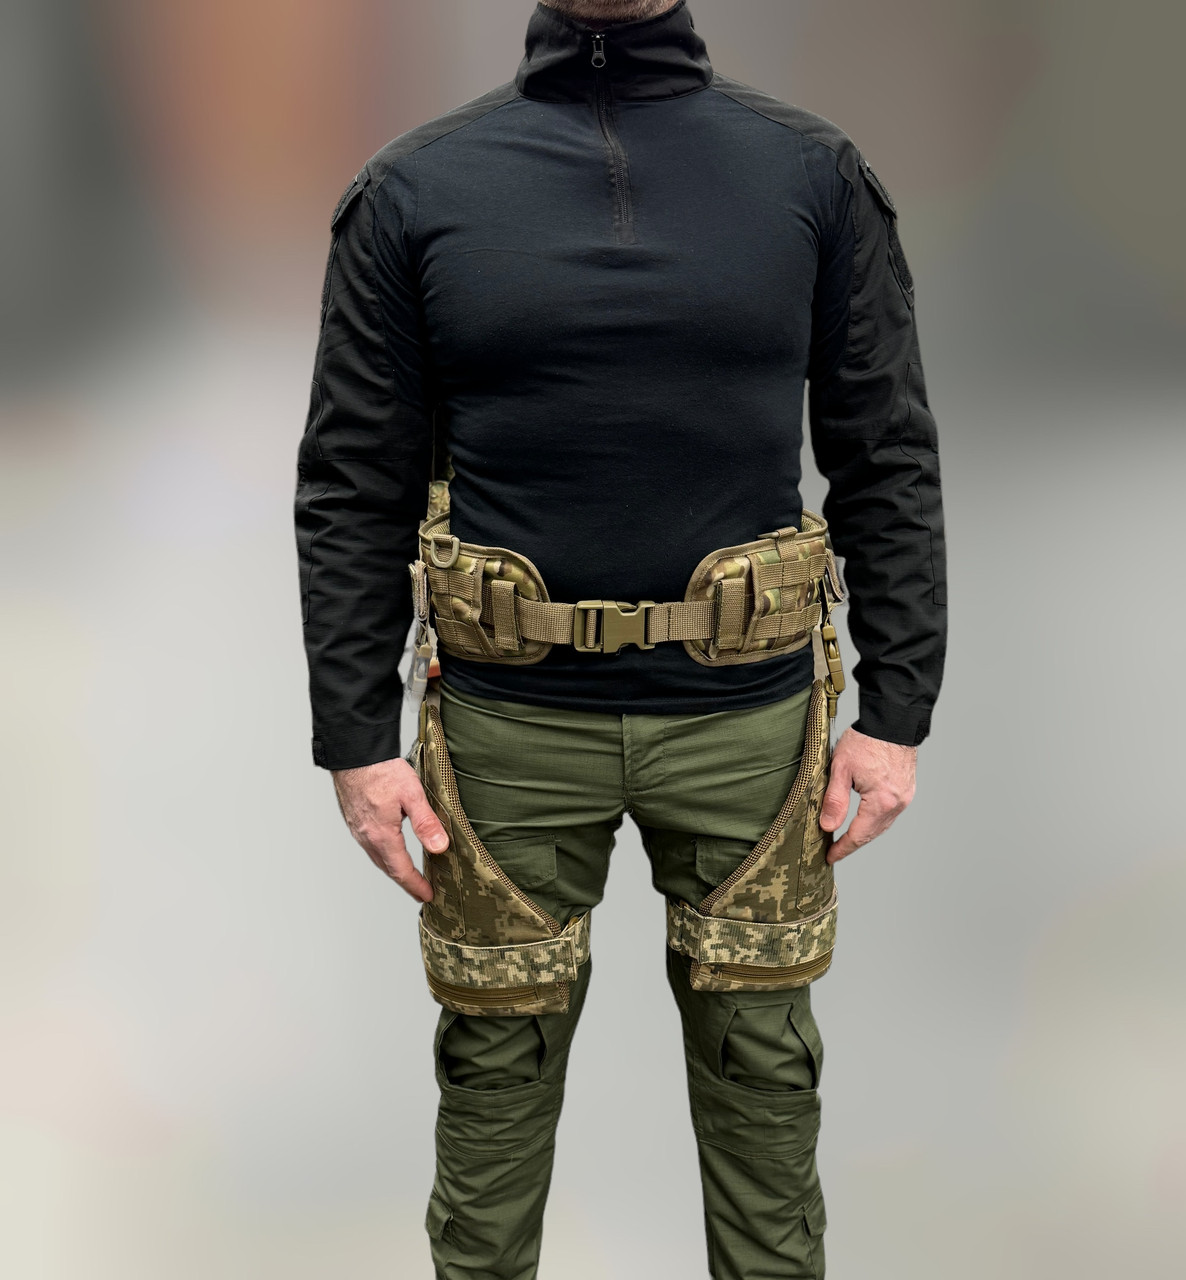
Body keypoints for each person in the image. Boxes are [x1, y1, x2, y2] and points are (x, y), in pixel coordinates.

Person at [294, 1, 946, 1275]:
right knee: (490, 1101)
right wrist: (354, 740)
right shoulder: (413, 194)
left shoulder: (811, 177)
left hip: (750, 731)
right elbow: (351, 480)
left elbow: (885, 451)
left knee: (765, 1104)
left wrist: (897, 709)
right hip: (505, 735)